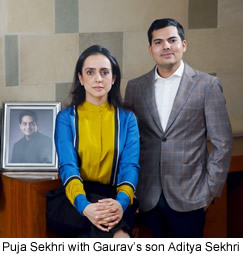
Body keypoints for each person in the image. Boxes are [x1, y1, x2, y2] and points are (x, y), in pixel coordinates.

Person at [124, 18, 232, 238]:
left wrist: (210, 191)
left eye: (172, 40)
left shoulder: (207, 85)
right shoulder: (135, 87)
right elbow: (130, 143)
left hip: (191, 196)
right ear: (150, 49)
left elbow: (223, 142)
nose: (166, 46)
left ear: (183, 44)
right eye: (159, 42)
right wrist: (131, 191)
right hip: (147, 198)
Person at [46, 45, 140, 238]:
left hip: (114, 198)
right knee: (118, 235)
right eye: (90, 72)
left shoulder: (127, 119)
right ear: (80, 78)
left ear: (113, 78)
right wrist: (85, 207)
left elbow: (129, 167)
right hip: (73, 199)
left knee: (99, 230)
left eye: (104, 72)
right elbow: (68, 167)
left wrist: (121, 204)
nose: (98, 78)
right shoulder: (66, 118)